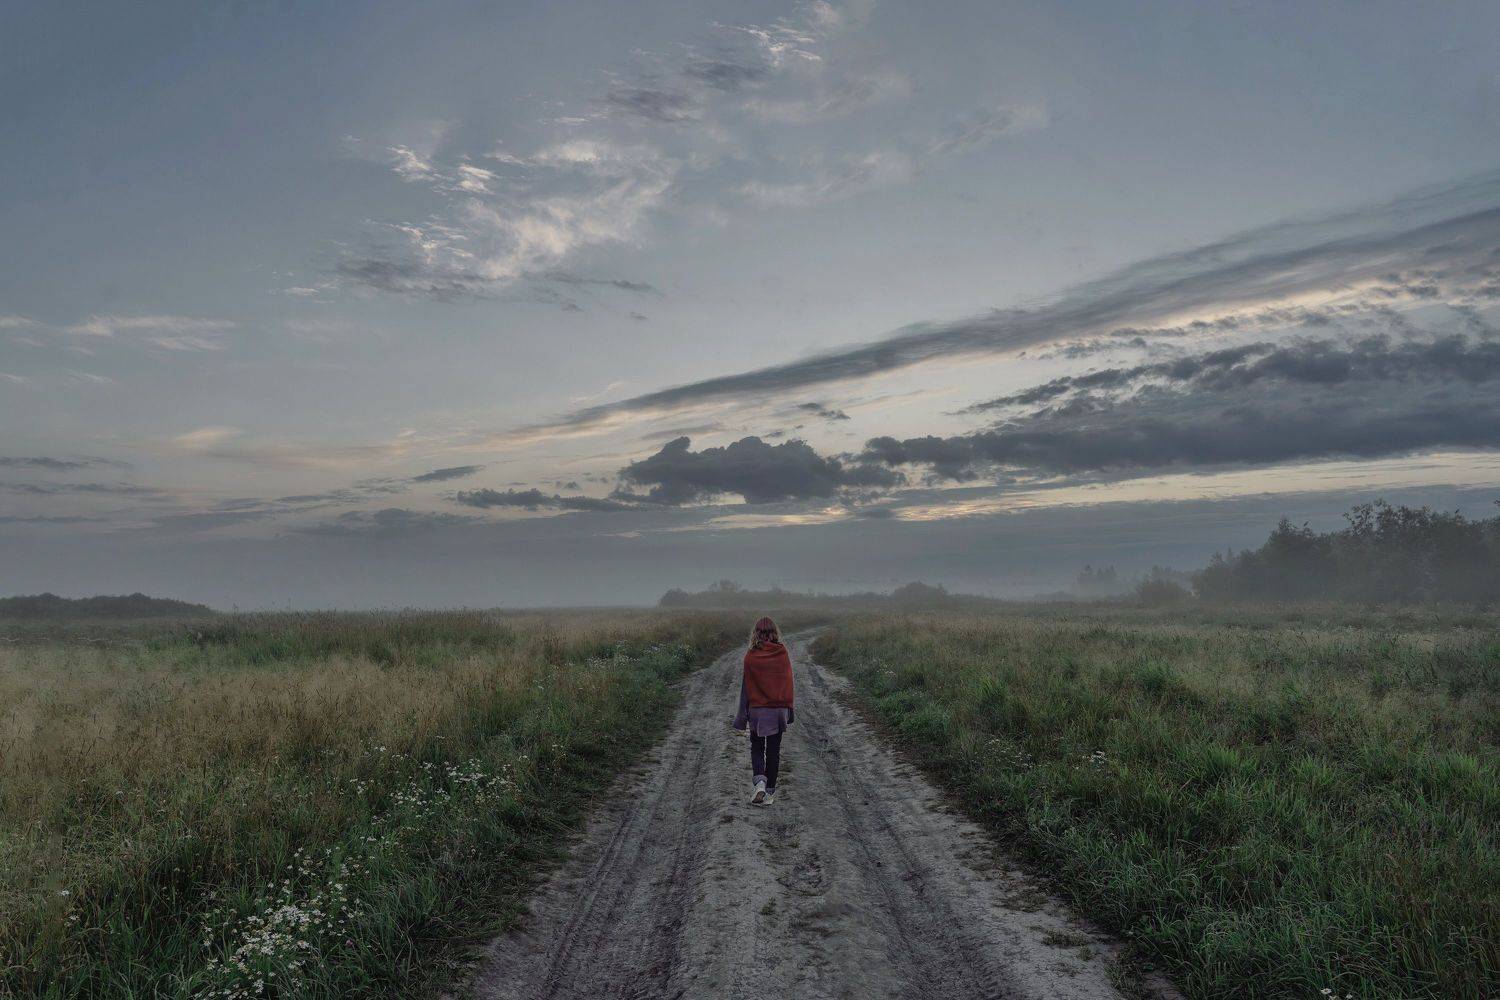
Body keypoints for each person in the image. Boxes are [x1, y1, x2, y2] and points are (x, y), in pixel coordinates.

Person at [733, 616, 794, 805]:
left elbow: (746, 689)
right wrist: (789, 710)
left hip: (758, 710)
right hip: (778, 710)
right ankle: (769, 793)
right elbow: (788, 683)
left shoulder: (751, 656)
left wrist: (742, 717)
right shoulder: (782, 653)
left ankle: (760, 782)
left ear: (756, 634)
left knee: (757, 747)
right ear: (775, 633)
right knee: (774, 750)